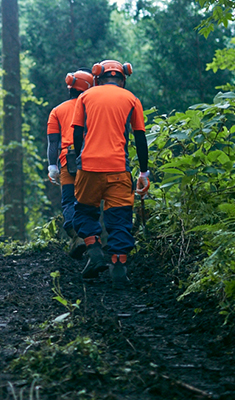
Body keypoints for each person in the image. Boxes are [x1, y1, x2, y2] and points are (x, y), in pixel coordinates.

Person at [68, 60, 151, 286]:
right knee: (120, 220)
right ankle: (118, 266)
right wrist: (144, 171)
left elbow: (77, 133)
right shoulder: (132, 99)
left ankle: (94, 251)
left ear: (97, 77)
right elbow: (140, 138)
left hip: (89, 167)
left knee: (84, 212)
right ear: (123, 78)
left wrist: (78, 160)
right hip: (118, 168)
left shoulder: (85, 97)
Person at [45, 69, 95, 260]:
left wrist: (52, 167)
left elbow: (53, 143)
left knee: (69, 200)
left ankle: (76, 236)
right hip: (91, 161)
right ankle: (92, 240)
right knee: (88, 201)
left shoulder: (57, 111)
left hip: (68, 161)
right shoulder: (93, 107)